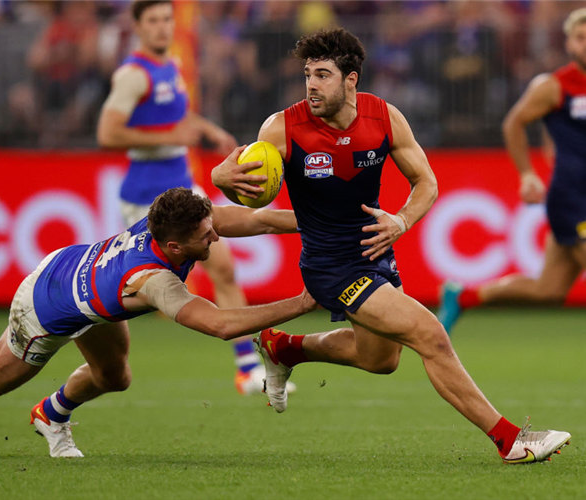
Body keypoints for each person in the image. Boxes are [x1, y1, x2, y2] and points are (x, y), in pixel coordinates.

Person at [211, 28, 571, 464]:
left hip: (376, 252)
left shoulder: (383, 117)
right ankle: (510, 440)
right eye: (307, 74)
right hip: (330, 266)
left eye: (322, 75)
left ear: (351, 80)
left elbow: (427, 183)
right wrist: (219, 180)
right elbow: (251, 194)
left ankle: (285, 347)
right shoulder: (282, 128)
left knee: (380, 359)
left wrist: (401, 220)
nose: (311, 85)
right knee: (430, 335)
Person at [0, 185, 316, 458]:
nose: (214, 235)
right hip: (47, 303)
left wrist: (325, 225)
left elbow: (260, 220)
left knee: (115, 377)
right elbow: (219, 325)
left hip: (87, 280)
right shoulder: (153, 280)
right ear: (175, 247)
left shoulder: (174, 219)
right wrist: (301, 302)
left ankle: (50, 416)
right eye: (205, 236)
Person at [97, 0, 280, 396]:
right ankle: (93, 356)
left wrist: (208, 129)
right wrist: (169, 137)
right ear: (138, 26)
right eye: (154, 21)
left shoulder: (172, 65)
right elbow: (108, 134)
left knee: (224, 270)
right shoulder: (133, 75)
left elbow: (177, 119)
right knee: (139, 296)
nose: (163, 27)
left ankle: (248, 369)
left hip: (183, 188)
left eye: (167, 19)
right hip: (147, 201)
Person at [438, 8, 586, 332]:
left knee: (548, 290)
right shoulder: (555, 86)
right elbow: (514, 124)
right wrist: (528, 174)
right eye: (580, 38)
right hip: (573, 199)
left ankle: (462, 296)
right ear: (569, 44)